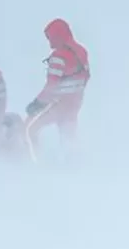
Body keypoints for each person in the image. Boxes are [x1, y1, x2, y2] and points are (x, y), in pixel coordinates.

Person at [25, 18, 90, 158]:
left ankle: (40, 163)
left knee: (32, 130)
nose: (49, 43)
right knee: (68, 135)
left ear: (58, 35)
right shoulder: (82, 52)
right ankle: (74, 164)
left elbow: (51, 86)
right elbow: (86, 76)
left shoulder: (58, 56)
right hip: (77, 102)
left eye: (50, 38)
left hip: (61, 103)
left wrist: (36, 104)